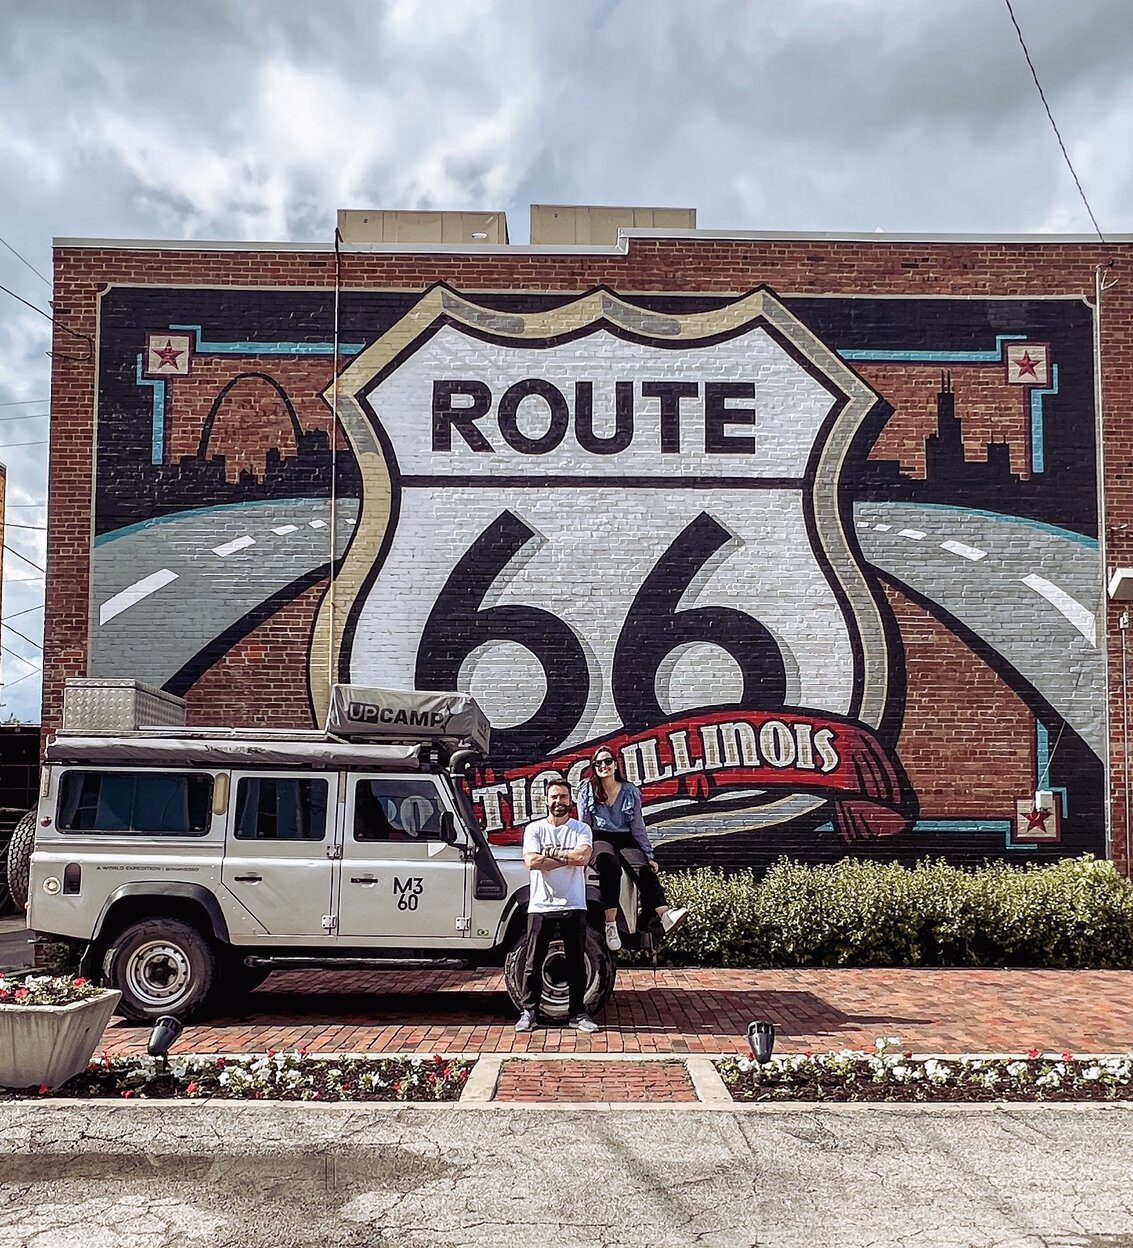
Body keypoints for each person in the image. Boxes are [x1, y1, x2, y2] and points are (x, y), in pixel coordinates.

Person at [576, 748, 688, 952]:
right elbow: (584, 823)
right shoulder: (587, 789)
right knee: (609, 866)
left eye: (607, 761)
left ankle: (665, 915)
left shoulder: (629, 790)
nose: (603, 766)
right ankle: (611, 924)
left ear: (616, 764)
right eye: (598, 763)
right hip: (599, 836)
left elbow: (638, 825)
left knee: (643, 869)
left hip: (624, 837)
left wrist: (648, 854)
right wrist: (582, 849)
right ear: (593, 767)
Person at [515, 778, 599, 1034]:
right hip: (541, 905)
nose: (558, 801)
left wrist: (549, 854)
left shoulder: (581, 829)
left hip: (574, 903)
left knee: (575, 963)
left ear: (570, 800)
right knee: (532, 962)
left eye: (563, 796)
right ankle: (529, 1013)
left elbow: (583, 857)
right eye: (554, 797)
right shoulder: (534, 830)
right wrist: (567, 857)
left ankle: (578, 1014)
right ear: (545, 800)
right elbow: (531, 862)